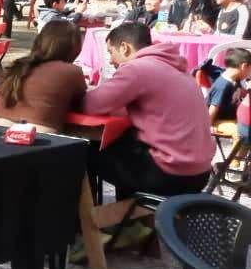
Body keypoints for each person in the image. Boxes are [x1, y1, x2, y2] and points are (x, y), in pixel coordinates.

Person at [81, 22, 215, 197]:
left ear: (124, 47)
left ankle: (97, 220)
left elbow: (91, 105)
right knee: (124, 145)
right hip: (201, 171)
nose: (112, 60)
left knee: (87, 152)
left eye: (111, 53)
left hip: (170, 173)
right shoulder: (177, 69)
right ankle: (132, 218)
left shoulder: (137, 68)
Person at [0, 20, 86, 133]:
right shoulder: (72, 72)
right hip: (39, 140)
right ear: (74, 48)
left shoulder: (19, 65)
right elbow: (84, 104)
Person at [206, 48, 251, 137]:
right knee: (242, 132)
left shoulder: (235, 79)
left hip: (232, 117)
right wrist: (208, 126)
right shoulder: (223, 85)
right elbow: (213, 108)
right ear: (244, 66)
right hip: (218, 121)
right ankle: (239, 151)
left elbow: (242, 92)